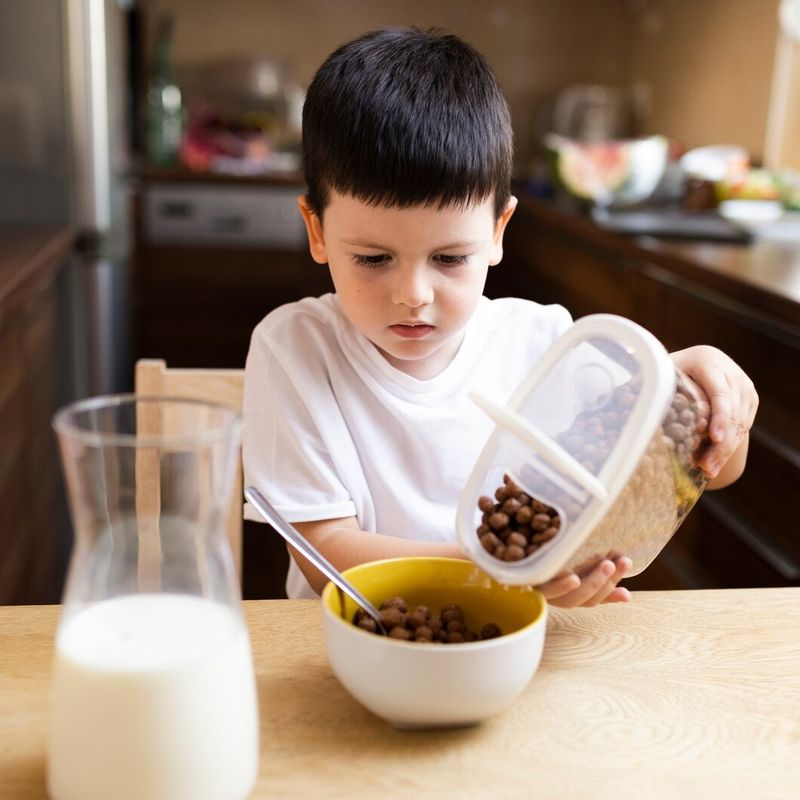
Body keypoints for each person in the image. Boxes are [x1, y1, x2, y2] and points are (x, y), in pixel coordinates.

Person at [243, 27, 758, 606]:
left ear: (497, 231)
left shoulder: (544, 343)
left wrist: (706, 392)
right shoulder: (293, 348)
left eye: (449, 258)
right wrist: (502, 570)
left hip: (518, 653)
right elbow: (323, 554)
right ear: (316, 230)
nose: (413, 294)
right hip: (354, 650)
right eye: (373, 258)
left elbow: (707, 469)